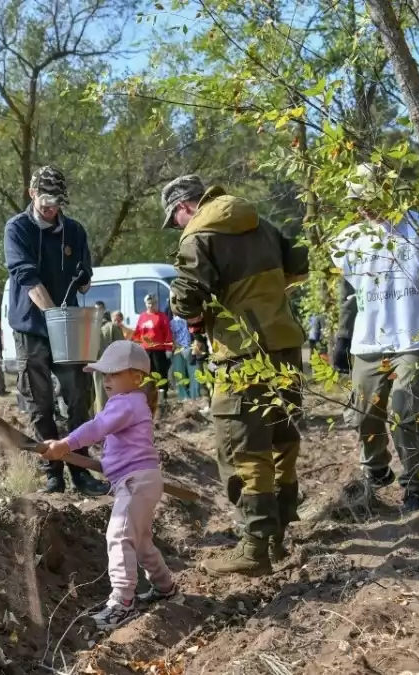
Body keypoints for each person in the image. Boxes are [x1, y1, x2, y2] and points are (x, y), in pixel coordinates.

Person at [163, 174, 308, 576]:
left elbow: (186, 299)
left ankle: (254, 547)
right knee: (281, 439)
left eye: (175, 219)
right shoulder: (262, 223)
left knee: (242, 448)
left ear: (184, 207)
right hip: (284, 346)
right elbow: (298, 265)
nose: (178, 227)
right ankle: (277, 535)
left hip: (241, 355)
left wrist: (201, 319)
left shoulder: (199, 234)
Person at [331, 163, 419, 514]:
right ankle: (376, 469)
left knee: (408, 412)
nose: (363, 206)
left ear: (386, 192)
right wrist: (342, 338)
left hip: (415, 336)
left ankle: (415, 487)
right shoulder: (350, 240)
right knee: (362, 414)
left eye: (367, 197)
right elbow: (348, 293)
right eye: (356, 200)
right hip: (369, 340)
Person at [39, 341, 180, 630]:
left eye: (112, 374)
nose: (105, 380)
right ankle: (165, 586)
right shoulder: (135, 402)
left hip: (135, 482)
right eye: (103, 375)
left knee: (118, 536)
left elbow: (96, 427)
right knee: (140, 541)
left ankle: (122, 602)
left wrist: (65, 444)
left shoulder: (125, 403)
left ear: (136, 378)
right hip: (142, 480)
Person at [4, 165, 109, 497]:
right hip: (33, 328)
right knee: (40, 401)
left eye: (57, 203)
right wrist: (52, 316)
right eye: (46, 202)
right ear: (32, 193)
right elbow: (26, 276)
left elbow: (85, 275)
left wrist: (83, 280)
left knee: (78, 396)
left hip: (70, 327)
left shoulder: (75, 231)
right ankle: (52, 472)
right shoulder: (17, 228)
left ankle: (80, 470)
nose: (51, 209)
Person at [132, 295, 173, 395]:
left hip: (158, 350)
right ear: (146, 304)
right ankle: (149, 393)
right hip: (145, 349)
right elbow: (137, 333)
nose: (151, 306)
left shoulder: (161, 316)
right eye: (149, 303)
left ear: (156, 303)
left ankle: (162, 393)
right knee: (147, 372)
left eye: (153, 303)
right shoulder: (142, 316)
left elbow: (167, 333)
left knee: (160, 372)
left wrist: (168, 348)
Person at [169, 314, 194, 399]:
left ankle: (183, 396)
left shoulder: (173, 322)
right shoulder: (190, 318)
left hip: (180, 348)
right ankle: (193, 395)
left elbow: (171, 335)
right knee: (191, 374)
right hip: (187, 347)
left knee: (180, 373)